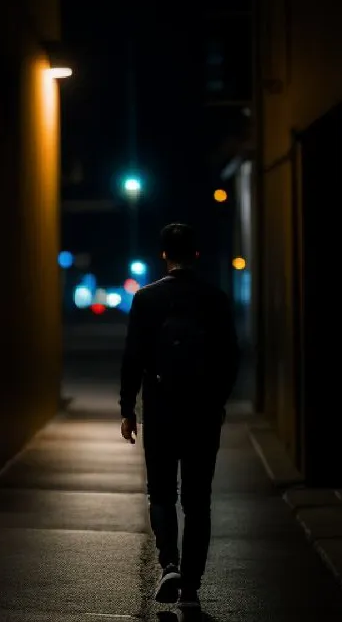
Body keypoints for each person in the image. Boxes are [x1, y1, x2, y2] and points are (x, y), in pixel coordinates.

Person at [119, 222, 240, 610]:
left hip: (161, 410)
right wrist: (218, 401)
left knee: (161, 493)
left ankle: (169, 563)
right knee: (198, 501)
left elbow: (133, 358)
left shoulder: (147, 299)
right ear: (196, 255)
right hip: (203, 413)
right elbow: (230, 358)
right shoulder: (215, 299)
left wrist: (128, 409)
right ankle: (191, 585)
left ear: (164, 255)